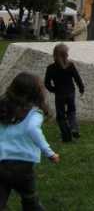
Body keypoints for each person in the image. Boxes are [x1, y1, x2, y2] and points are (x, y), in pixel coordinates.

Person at [0, 73, 60, 209]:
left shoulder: (3, 108)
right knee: (29, 198)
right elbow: (33, 130)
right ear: (36, 93)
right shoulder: (34, 114)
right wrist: (50, 153)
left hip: (1, 162)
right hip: (23, 166)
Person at [44, 44, 85, 143]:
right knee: (71, 112)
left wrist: (53, 90)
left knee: (61, 116)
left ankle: (66, 137)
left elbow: (47, 83)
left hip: (60, 94)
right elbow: (77, 78)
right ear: (66, 54)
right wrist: (81, 88)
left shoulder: (51, 68)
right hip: (71, 92)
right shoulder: (70, 65)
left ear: (54, 55)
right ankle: (74, 128)